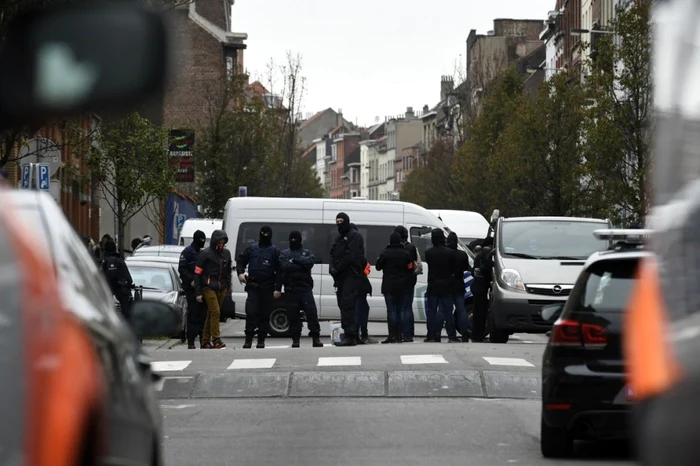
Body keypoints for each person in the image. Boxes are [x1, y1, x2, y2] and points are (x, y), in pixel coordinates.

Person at [236, 225, 281, 349]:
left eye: (267, 233)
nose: (265, 236)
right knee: (251, 312)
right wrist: (240, 273)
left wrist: (277, 288)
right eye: (263, 233)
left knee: (265, 314)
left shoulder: (275, 251)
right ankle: (248, 340)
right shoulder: (252, 249)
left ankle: (261, 340)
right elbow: (241, 261)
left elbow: (280, 271)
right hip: (253, 286)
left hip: (268, 287)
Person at [276, 230, 323, 348]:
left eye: (295, 239)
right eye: (291, 239)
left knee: (312, 314)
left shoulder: (307, 252)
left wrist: (296, 261)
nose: (293, 241)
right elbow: (285, 266)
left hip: (305, 288)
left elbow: (310, 262)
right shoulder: (284, 254)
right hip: (291, 289)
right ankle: (295, 340)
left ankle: (316, 338)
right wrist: (301, 266)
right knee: (293, 316)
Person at [330, 212, 365, 346]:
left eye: (341, 221)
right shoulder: (339, 237)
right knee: (343, 304)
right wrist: (333, 267)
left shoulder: (354, 236)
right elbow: (333, 253)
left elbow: (351, 256)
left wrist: (337, 267)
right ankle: (349, 333)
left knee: (347, 304)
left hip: (351, 274)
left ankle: (351, 335)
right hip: (341, 276)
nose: (339, 224)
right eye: (337, 221)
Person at [194, 229, 232, 349]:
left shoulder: (226, 253)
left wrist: (228, 286)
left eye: (223, 241)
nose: (221, 243)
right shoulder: (205, 254)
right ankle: (216, 339)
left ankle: (205, 340)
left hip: (222, 287)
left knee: (212, 313)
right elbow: (197, 273)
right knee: (215, 311)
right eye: (219, 241)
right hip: (208, 287)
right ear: (215, 241)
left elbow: (228, 270)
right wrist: (198, 292)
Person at [375, 232, 414, 344]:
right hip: (402, 286)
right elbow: (410, 269)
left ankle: (392, 335)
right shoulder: (406, 253)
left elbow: (378, 267)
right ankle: (399, 335)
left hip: (388, 286)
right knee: (401, 310)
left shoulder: (385, 253)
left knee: (391, 310)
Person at [423, 229, 458, 342]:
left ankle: (431, 335)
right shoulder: (450, 253)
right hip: (447, 285)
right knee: (448, 312)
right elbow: (453, 269)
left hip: (433, 285)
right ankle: (451, 336)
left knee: (432, 311)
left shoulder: (428, 253)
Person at [178, 230, 207, 349]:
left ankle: (202, 340)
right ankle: (191, 341)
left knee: (202, 315)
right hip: (191, 289)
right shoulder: (188, 252)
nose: (203, 242)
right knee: (193, 314)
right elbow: (182, 269)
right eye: (201, 240)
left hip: (202, 287)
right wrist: (191, 280)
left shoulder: (202, 253)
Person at [395, 225, 422, 342]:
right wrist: (413, 274)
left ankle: (398, 332)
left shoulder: (393, 248)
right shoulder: (412, 248)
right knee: (407, 307)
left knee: (398, 307)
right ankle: (408, 333)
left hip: (397, 281)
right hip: (409, 282)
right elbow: (419, 266)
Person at [350, 223, 377, 344]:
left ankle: (359, 334)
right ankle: (358, 335)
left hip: (354, 285)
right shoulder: (355, 250)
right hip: (358, 285)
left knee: (361, 309)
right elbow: (364, 266)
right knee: (359, 310)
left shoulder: (346, 246)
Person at [447, 232, 471, 342]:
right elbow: (466, 267)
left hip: (447, 284)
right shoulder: (462, 254)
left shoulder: (445, 253)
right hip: (459, 283)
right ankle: (465, 333)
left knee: (447, 310)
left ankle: (451, 334)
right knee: (461, 310)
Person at [101, 240, 133, 319]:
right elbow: (129, 278)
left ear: (105, 249)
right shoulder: (120, 261)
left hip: (111, 293)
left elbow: (107, 278)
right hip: (122, 294)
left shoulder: (106, 261)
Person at [471, 246, 495, 342]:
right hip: (482, 290)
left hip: (477, 288)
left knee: (477, 313)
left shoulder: (478, 259)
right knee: (482, 314)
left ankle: (476, 335)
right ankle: (478, 335)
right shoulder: (486, 264)